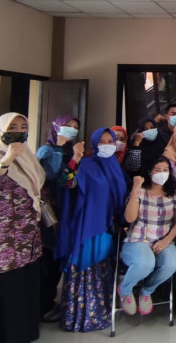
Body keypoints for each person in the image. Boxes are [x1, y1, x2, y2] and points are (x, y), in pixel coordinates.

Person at [0, 112, 46, 343]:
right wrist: (6, 160)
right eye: (13, 127)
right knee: (1, 282)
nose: (19, 131)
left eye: (23, 127)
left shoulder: (29, 158)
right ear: (1, 130)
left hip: (26, 233)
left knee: (21, 285)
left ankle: (22, 333)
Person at [56, 127, 127, 332]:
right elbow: (67, 183)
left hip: (107, 227)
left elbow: (121, 196)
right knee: (86, 267)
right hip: (87, 225)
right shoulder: (86, 164)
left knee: (102, 269)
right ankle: (81, 317)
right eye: (102, 141)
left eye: (110, 141)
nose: (107, 145)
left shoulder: (115, 166)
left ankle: (101, 312)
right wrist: (75, 158)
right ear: (95, 143)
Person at [119, 157, 176, 317]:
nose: (162, 173)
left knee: (171, 265)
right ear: (150, 172)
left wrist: (167, 240)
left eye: (166, 170)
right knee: (145, 263)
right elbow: (129, 218)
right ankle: (125, 289)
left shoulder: (174, 194)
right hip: (138, 239)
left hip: (163, 240)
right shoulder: (140, 191)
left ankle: (146, 291)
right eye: (158, 170)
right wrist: (135, 189)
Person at [35, 115, 84, 321]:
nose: (71, 130)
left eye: (75, 127)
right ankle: (42, 306)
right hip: (49, 213)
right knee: (48, 258)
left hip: (67, 210)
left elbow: (71, 180)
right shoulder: (46, 150)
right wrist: (61, 148)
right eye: (67, 126)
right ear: (56, 127)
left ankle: (48, 302)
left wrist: (75, 156)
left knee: (58, 259)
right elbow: (52, 175)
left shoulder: (71, 151)